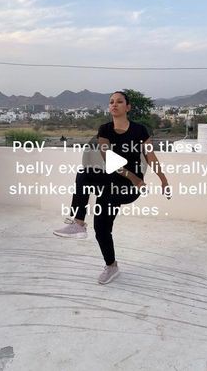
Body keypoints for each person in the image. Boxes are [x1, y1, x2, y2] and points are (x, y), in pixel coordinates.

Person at [53, 91, 170, 284]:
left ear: (128, 107)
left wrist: (163, 180)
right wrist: (133, 177)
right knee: (86, 181)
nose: (114, 105)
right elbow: (109, 159)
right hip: (115, 179)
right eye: (111, 102)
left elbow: (151, 157)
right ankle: (91, 239)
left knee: (101, 222)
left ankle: (84, 230)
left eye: (119, 101)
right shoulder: (105, 129)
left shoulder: (140, 130)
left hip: (128, 188)